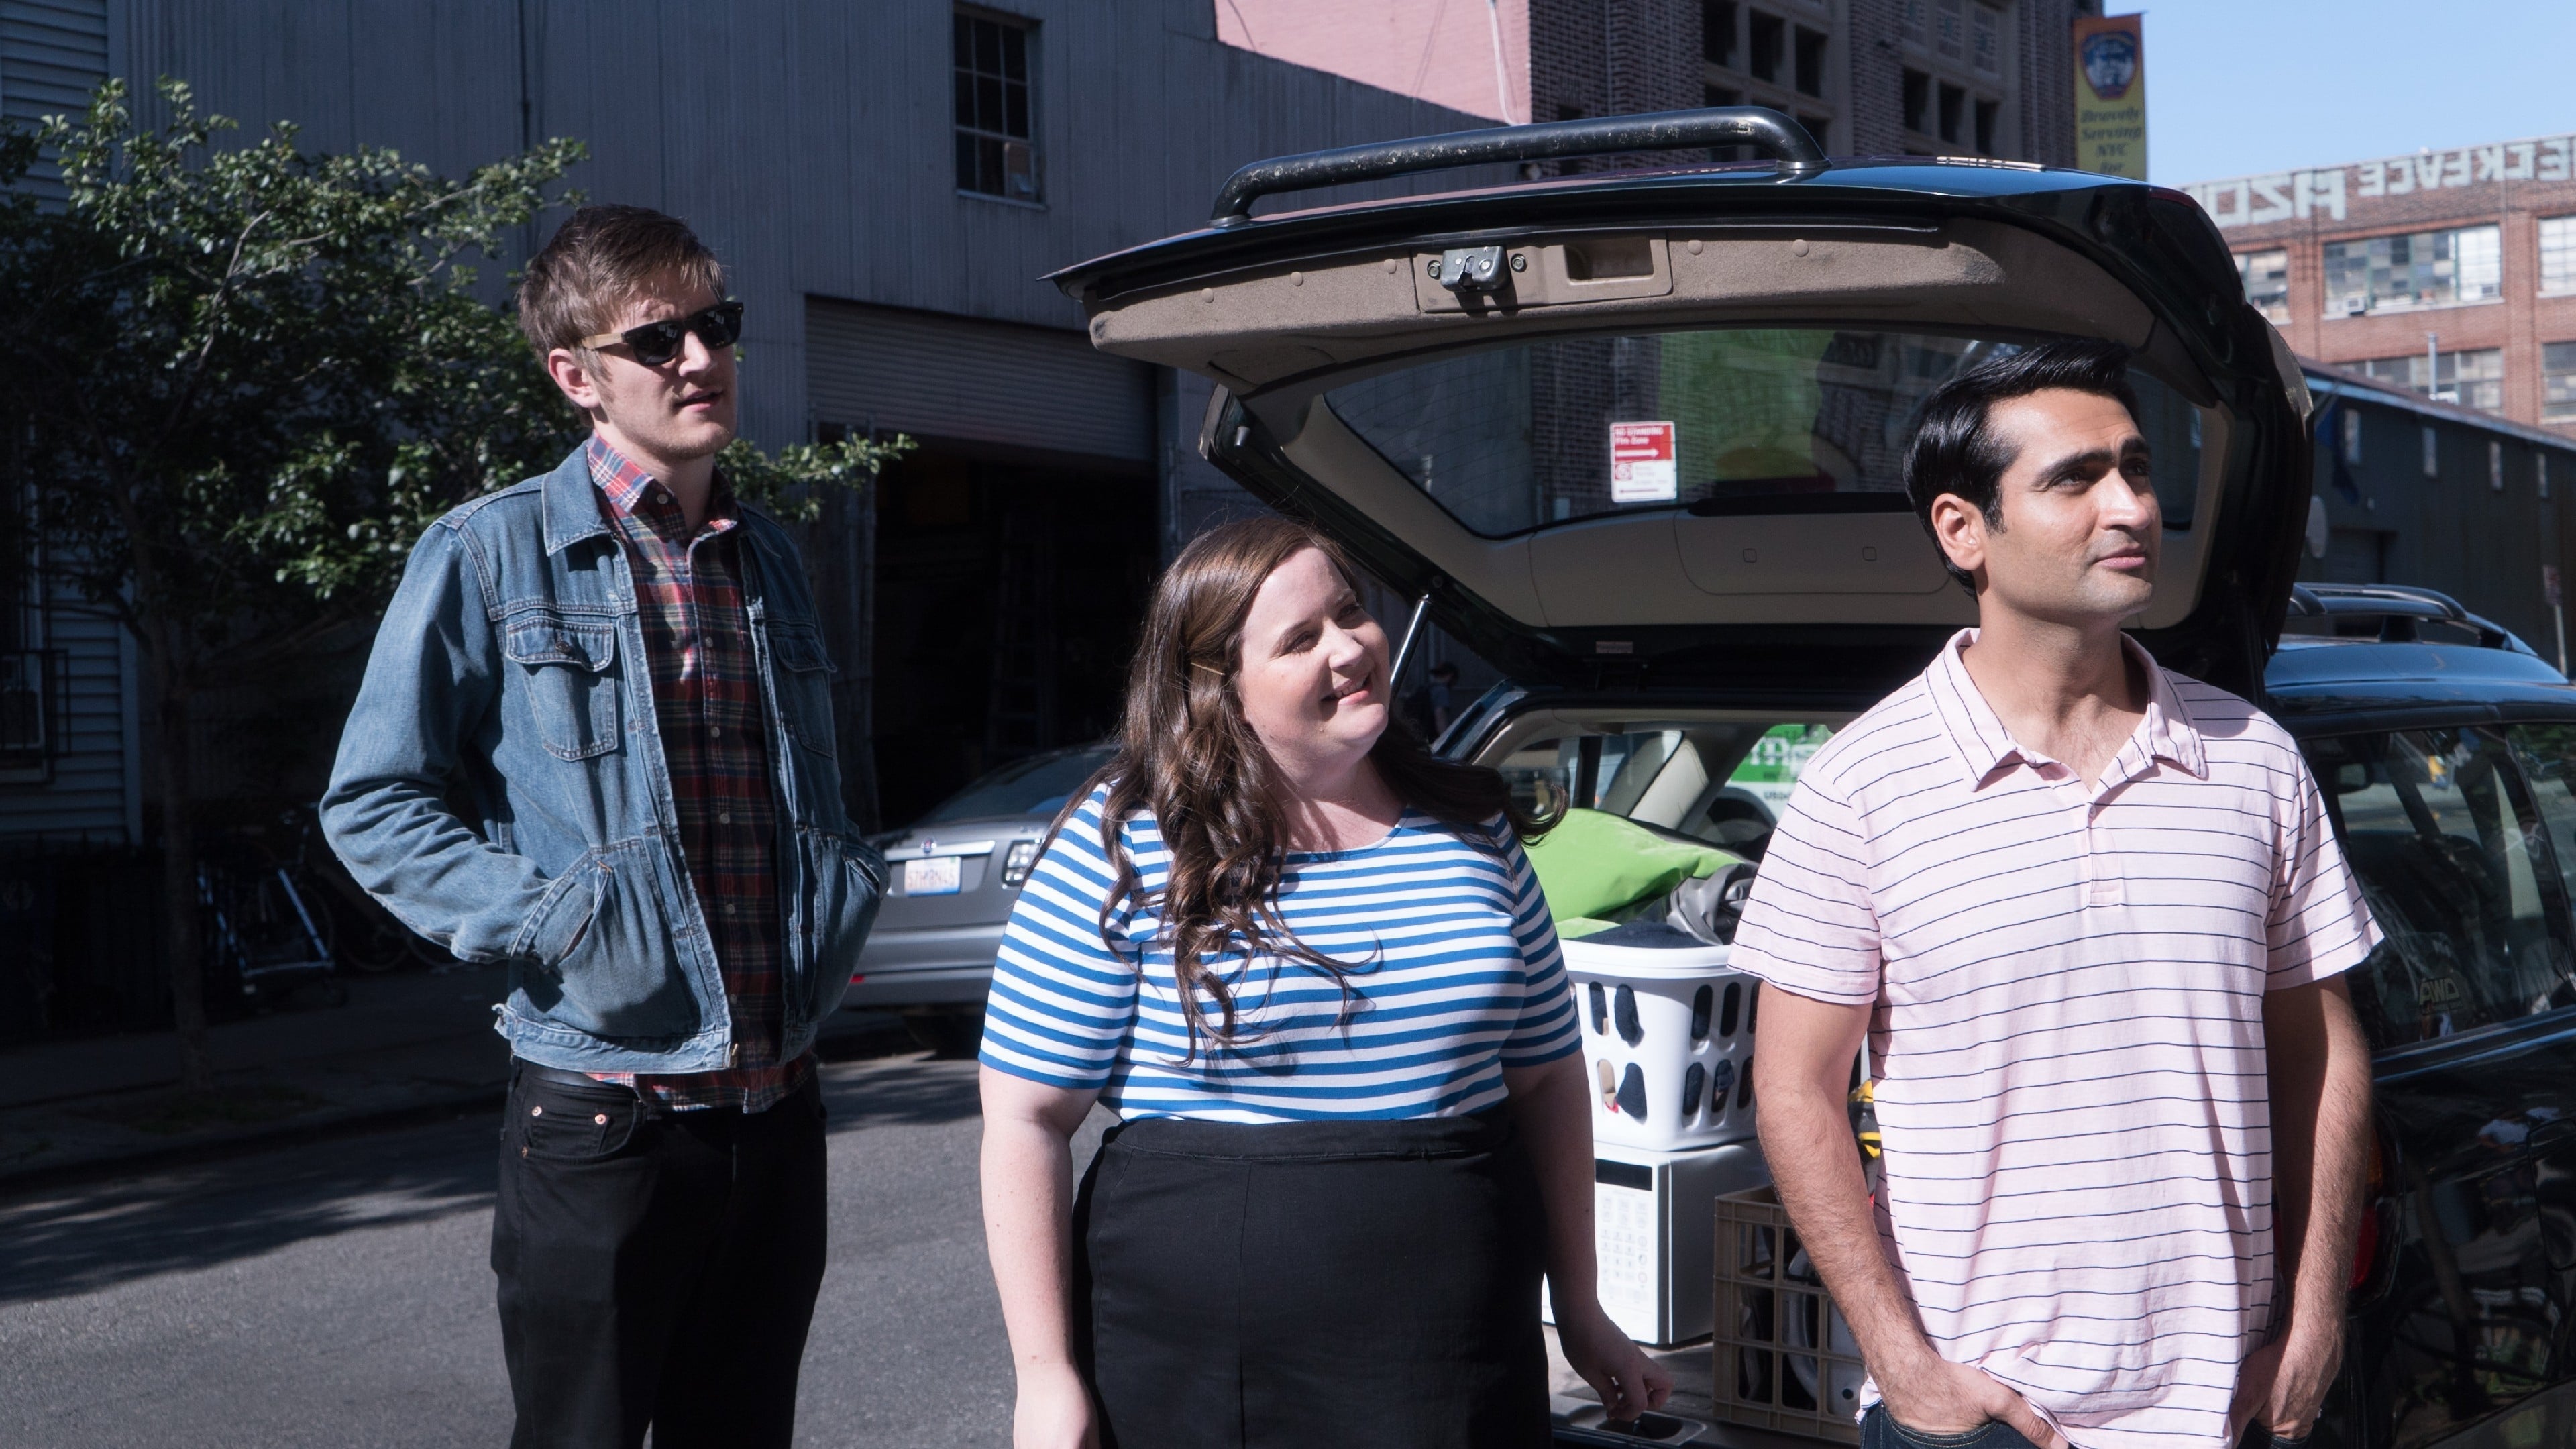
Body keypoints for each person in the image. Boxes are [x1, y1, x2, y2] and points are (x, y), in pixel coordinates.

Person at [1732, 341, 2379, 1449]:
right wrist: (1903, 1365)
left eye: (2138, 469)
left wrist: (2315, 1320)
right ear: (1962, 530)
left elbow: (2321, 1055)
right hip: (1983, 1415)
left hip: (2231, 1408)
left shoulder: (2254, 759)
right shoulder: (1860, 785)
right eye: (2075, 478)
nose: (2132, 507)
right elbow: (1795, 1090)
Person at [321, 205, 880, 1449]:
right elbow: (374, 801)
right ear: (576, 375)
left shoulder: (772, 558)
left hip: (778, 1109)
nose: (702, 358)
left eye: (716, 325)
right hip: (606, 1123)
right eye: (659, 338)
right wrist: (553, 920)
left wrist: (847, 878)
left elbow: (816, 789)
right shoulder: (488, 551)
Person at [977, 517, 1671, 1449]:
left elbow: (1547, 1079)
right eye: (1301, 639)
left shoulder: (1469, 827)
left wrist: (1579, 1307)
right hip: (1195, 1368)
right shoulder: (1128, 840)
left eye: (1350, 613)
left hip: (1456, 1350)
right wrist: (1045, 1377)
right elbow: (1025, 1118)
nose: (1348, 648)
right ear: (1220, 690)